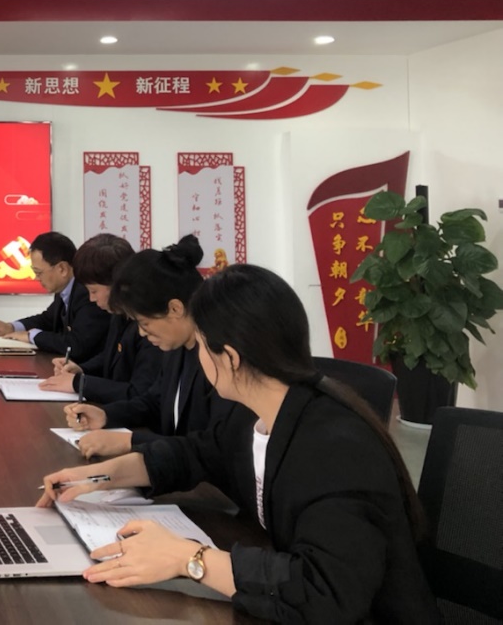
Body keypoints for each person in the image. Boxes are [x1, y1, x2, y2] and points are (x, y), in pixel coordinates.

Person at [37, 264, 440, 623]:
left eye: (201, 344)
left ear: (228, 357)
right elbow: (195, 453)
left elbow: (326, 593)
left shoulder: (334, 448)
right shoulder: (256, 416)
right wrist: (97, 477)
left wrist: (189, 559)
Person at [61, 235, 233, 459]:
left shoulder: (220, 359)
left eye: (145, 323)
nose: (142, 333)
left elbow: (213, 448)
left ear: (175, 309)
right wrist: (105, 415)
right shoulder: (176, 348)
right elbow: (153, 402)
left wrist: (130, 441)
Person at [37, 233, 161, 403]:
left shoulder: (151, 325)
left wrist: (79, 383)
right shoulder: (118, 314)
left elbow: (140, 393)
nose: (91, 299)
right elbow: (110, 356)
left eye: (94, 291)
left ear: (117, 284)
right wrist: (81, 370)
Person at [0, 231, 107, 358]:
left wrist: (31, 336)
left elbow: (76, 344)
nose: (36, 278)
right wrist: (11, 327)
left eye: (39, 272)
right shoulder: (65, 289)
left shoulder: (87, 292)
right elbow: (47, 320)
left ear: (62, 269)